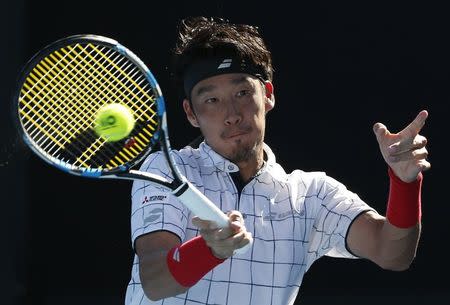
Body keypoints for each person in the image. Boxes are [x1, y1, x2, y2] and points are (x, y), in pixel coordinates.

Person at [125, 16, 430, 305]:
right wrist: (209, 250)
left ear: (268, 95)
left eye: (243, 92)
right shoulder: (165, 170)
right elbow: (155, 279)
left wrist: (405, 183)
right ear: (191, 113)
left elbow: (393, 254)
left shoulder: (313, 195)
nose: (231, 114)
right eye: (211, 100)